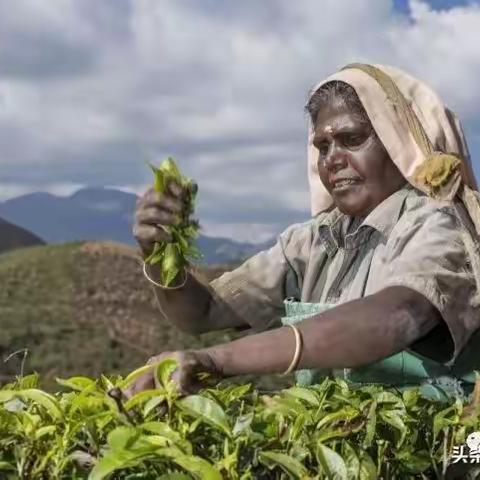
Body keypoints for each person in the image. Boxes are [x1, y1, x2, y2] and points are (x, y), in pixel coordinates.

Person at [129, 63, 480, 399]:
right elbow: (202, 312)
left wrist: (218, 360)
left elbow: (397, 313)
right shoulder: (315, 240)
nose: (332, 159)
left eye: (351, 139)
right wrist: (160, 253)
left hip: (438, 452)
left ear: (398, 142)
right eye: (323, 147)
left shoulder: (441, 223)